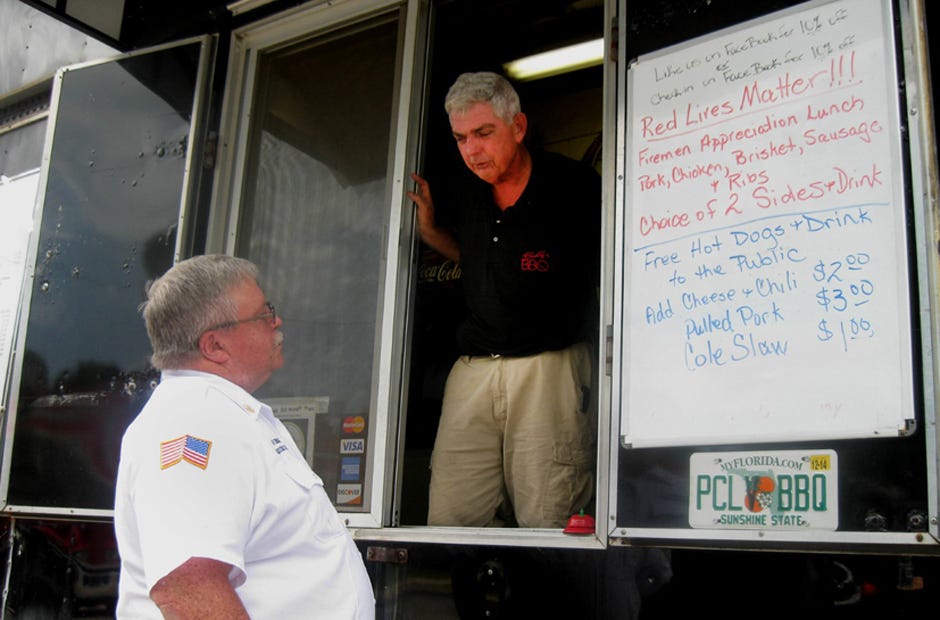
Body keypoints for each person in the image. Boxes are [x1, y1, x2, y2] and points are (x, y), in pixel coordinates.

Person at [113, 254, 375, 619]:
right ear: (214, 346)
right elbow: (188, 587)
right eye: (264, 314)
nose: (277, 321)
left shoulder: (221, 414)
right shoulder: (193, 422)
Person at [409, 71, 601, 528]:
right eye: (461, 138)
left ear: (517, 128)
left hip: (548, 368)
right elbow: (481, 257)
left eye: (483, 133)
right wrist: (433, 233)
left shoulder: (573, 185)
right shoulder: (466, 192)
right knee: (450, 518)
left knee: (548, 517)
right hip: (474, 369)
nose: (472, 150)